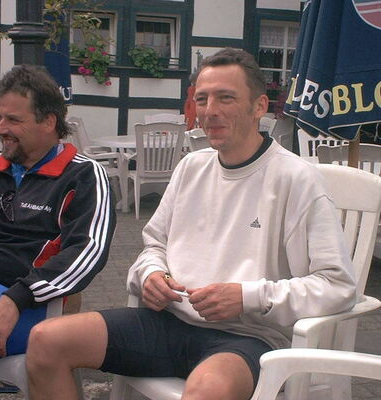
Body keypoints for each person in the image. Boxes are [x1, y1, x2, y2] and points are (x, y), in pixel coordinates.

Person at [25, 48, 356, 400]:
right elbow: (154, 246)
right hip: (167, 322)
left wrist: (248, 296)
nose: (210, 110)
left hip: (246, 337)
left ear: (259, 106)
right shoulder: (191, 167)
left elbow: (337, 286)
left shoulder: (296, 178)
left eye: (226, 98)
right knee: (45, 341)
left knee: (208, 390)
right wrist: (151, 275)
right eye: (202, 99)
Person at [0, 65, 116, 366]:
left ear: (48, 122)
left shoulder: (83, 176)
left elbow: (87, 251)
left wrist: (17, 297)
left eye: (14, 120)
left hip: (29, 306)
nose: (0, 129)